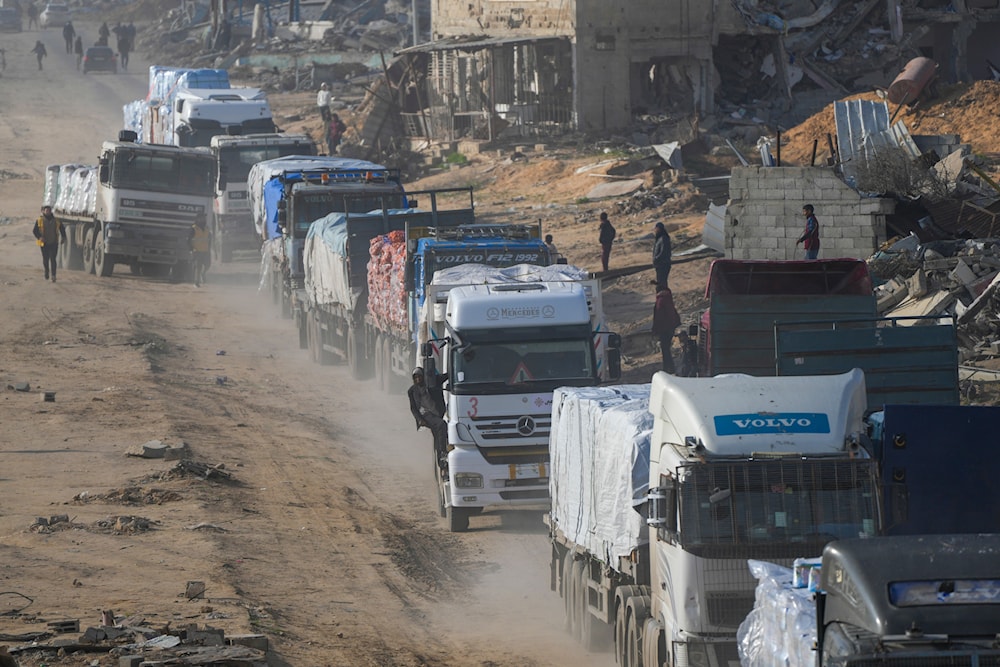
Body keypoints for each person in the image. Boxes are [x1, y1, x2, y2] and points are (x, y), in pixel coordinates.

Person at [407, 367, 448, 469]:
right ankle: (443, 454)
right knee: (441, 425)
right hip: (425, 415)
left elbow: (447, 375)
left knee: (438, 436)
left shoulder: (433, 382)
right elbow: (413, 408)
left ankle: (440, 463)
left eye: (419, 377)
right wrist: (420, 420)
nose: (418, 379)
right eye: (415, 378)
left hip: (437, 413)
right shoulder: (412, 391)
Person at [651, 284, 680, 374]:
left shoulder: (661, 300)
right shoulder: (667, 298)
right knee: (666, 349)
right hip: (670, 327)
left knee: (665, 349)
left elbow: (659, 316)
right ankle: (669, 367)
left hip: (664, 329)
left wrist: (655, 329)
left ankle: (668, 368)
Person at [32, 205, 66, 283]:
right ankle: (46, 271)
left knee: (53, 259)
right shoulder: (39, 220)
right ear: (43, 211)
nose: (48, 212)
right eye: (46, 210)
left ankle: (53, 275)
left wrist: (63, 237)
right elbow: (35, 231)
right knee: (45, 259)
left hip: (54, 243)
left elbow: (62, 229)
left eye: (49, 210)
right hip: (44, 243)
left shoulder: (56, 220)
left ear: (51, 211)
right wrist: (39, 237)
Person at [188, 213, 212, 287]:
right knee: (198, 266)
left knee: (208, 265)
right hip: (197, 251)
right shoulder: (193, 228)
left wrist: (210, 249)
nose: (203, 219)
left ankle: (203, 273)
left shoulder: (207, 228)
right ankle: (196, 282)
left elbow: (209, 239)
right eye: (202, 218)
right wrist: (191, 250)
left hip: (205, 251)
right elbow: (188, 240)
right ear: (197, 219)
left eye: (204, 218)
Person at [652, 221, 672, 288]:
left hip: (663, 264)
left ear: (659, 229)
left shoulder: (664, 238)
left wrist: (656, 259)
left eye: (656, 229)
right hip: (659, 265)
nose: (655, 230)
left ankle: (664, 293)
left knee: (662, 283)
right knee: (660, 282)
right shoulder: (659, 239)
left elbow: (663, 252)